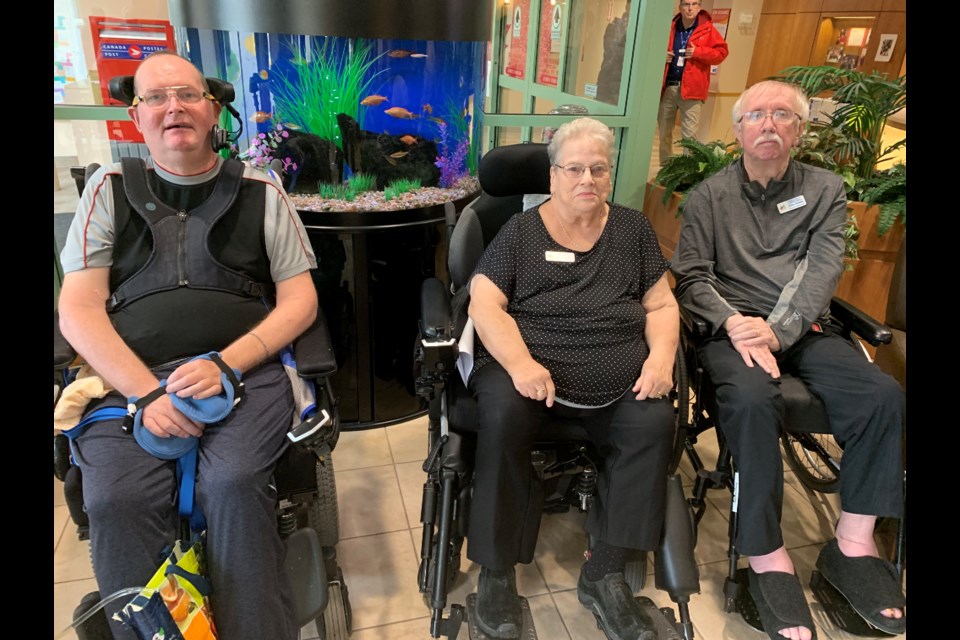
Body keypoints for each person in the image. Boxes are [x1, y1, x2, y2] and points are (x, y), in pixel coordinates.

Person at [57, 50, 318, 640]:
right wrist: (147, 392)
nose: (174, 107)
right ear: (136, 115)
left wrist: (226, 362)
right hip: (130, 378)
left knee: (232, 485)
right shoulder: (108, 189)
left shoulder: (261, 190)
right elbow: (76, 307)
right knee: (116, 501)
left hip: (243, 372)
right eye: (156, 97)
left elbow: (300, 301)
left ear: (212, 108)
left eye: (189, 95)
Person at [671, 80, 906, 640]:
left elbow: (822, 270)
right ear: (738, 130)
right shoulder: (709, 196)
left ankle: (853, 543)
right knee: (753, 400)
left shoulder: (825, 189)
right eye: (756, 115)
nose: (769, 125)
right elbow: (693, 277)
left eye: (783, 115)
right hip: (732, 331)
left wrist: (777, 333)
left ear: (800, 130)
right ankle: (766, 554)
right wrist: (735, 325)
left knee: (883, 397)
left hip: (803, 326)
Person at [466, 117, 679, 640]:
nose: (587, 179)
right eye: (575, 169)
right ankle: (496, 573)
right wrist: (520, 363)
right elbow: (484, 301)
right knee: (500, 417)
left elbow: (661, 302)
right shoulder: (520, 230)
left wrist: (661, 360)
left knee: (652, 424)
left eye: (598, 169)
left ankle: (605, 571)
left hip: (619, 371)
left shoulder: (633, 230)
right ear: (553, 175)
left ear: (610, 175)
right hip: (529, 371)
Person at [657, 0, 728, 166]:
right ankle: (666, 169)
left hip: (693, 91)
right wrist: (661, 55)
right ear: (680, 7)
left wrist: (699, 52)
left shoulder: (708, 29)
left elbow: (721, 53)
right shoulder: (670, 27)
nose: (690, 8)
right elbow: (651, 49)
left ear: (699, 7)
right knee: (663, 132)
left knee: (690, 136)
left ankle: (687, 171)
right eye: (686, 4)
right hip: (668, 87)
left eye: (694, 4)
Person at [595, 1, 631, 105]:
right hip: (609, 81)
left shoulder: (637, 29)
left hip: (626, 85)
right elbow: (612, 54)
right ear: (627, 6)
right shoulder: (614, 27)